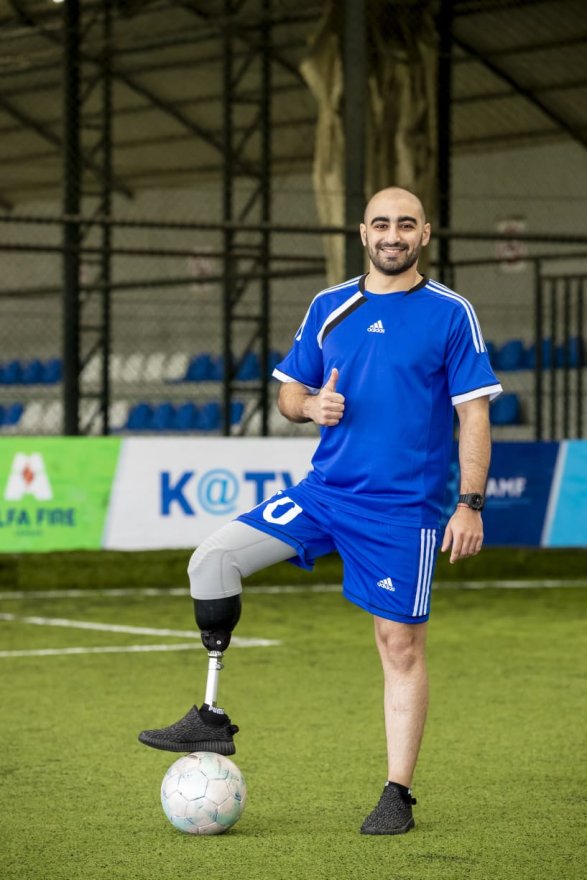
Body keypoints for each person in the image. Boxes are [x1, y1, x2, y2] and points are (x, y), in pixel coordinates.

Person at [139, 187, 502, 835]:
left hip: (402, 510)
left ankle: (397, 794)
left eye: (406, 225)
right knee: (212, 560)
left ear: (424, 235)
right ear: (363, 233)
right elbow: (289, 394)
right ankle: (210, 717)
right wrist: (310, 407)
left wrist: (469, 504)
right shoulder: (329, 306)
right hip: (323, 494)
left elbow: (473, 414)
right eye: (381, 224)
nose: (392, 235)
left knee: (398, 645)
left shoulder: (450, 313)